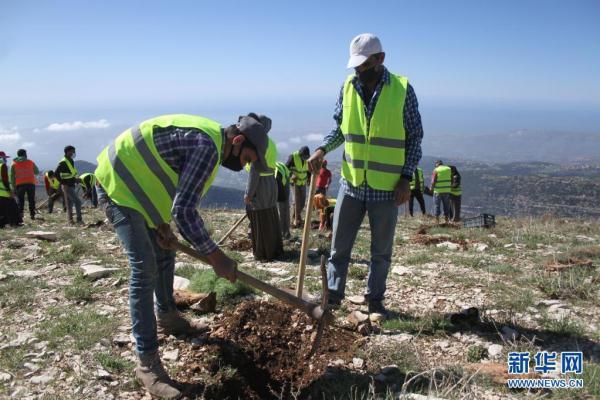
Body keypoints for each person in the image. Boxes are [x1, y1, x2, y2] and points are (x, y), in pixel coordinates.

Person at [95, 113, 270, 399]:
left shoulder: (212, 144)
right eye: (248, 158)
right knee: (144, 269)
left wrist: (162, 224)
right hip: (119, 185)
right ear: (237, 141)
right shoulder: (207, 148)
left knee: (165, 251)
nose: (245, 165)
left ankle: (167, 316)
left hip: (140, 192)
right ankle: (148, 365)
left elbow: (171, 185)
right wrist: (216, 257)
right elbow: (185, 211)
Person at [308, 33, 424, 316]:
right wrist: (323, 148)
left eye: (364, 65)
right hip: (352, 183)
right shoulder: (348, 87)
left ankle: (374, 301)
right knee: (339, 247)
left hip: (386, 188)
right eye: (356, 67)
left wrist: (406, 178)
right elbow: (339, 129)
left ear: (380, 59)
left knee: (380, 252)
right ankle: (333, 297)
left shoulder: (402, 89)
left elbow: (415, 137)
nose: (359, 71)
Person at [243, 115, 283, 261]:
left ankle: (262, 253)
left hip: (260, 184)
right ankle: (275, 249)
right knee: (270, 216)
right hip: (271, 181)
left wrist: (248, 193)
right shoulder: (271, 142)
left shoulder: (258, 144)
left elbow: (254, 171)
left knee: (259, 218)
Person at [56, 145, 83, 224]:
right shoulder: (63, 162)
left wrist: (76, 179)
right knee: (77, 202)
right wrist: (63, 183)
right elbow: (56, 174)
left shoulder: (70, 160)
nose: (74, 153)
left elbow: (70, 174)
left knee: (70, 203)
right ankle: (79, 220)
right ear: (68, 152)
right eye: (73, 151)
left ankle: (70, 221)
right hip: (67, 185)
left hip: (71, 184)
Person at [10, 149, 39, 221]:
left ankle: (20, 216)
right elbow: (37, 172)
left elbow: (12, 176)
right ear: (25, 154)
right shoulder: (30, 162)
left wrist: (14, 187)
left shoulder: (14, 164)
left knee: (20, 201)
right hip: (30, 183)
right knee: (31, 200)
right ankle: (32, 215)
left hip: (20, 184)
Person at [286, 146, 310, 227]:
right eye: (303, 157)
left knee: (302, 201)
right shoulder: (293, 157)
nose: (304, 158)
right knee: (295, 201)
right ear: (300, 154)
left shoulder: (308, 159)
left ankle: (297, 216)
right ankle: (294, 219)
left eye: (306, 157)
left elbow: (308, 170)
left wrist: (309, 178)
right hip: (294, 182)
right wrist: (291, 175)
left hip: (302, 182)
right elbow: (286, 168)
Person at [0, 151, 22, 228]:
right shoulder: (2, 166)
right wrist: (10, 191)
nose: (5, 160)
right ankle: (15, 223)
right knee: (13, 208)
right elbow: (5, 180)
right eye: (4, 158)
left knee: (2, 210)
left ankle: (2, 224)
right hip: (4, 192)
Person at [275, 161, 291, 239]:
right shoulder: (280, 166)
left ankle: (283, 233)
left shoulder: (275, 171)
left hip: (281, 191)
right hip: (285, 189)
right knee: (285, 212)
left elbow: (275, 184)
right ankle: (286, 231)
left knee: (281, 213)